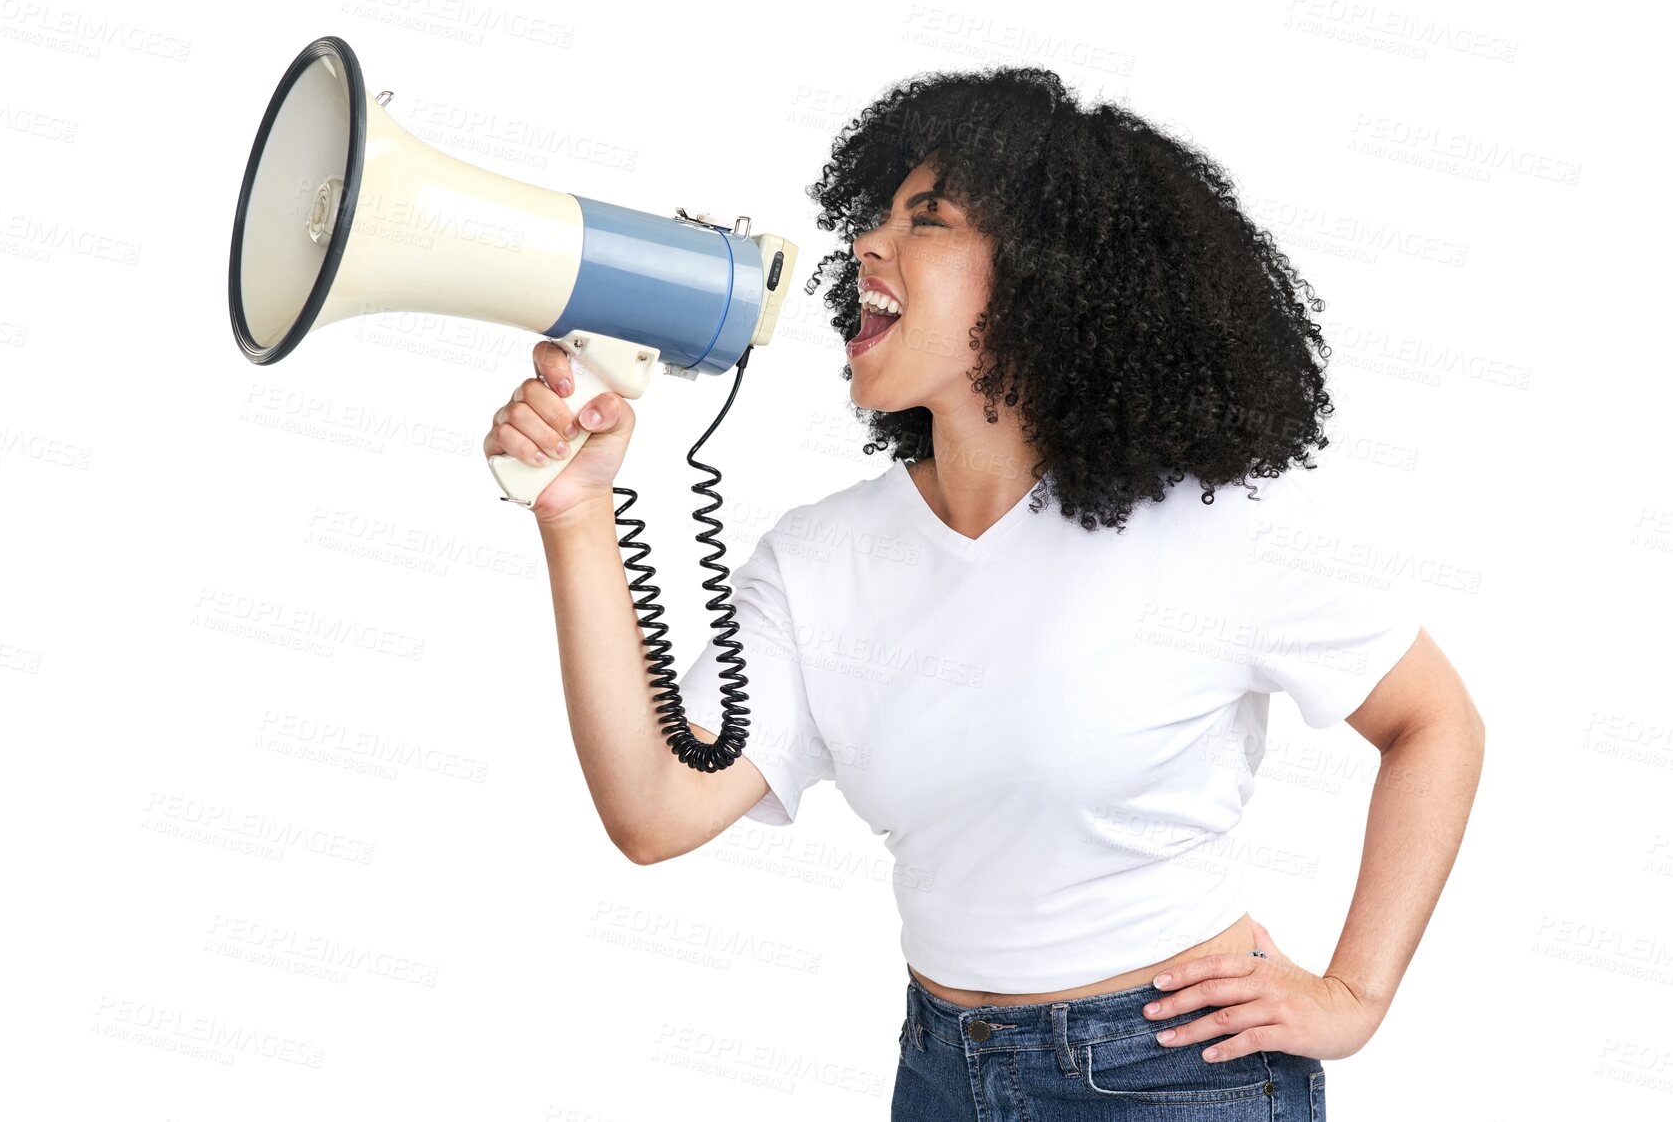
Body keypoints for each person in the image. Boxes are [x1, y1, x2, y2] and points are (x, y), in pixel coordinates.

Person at [484, 66, 1484, 1120]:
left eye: (928, 219)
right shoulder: (824, 558)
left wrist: (1356, 993)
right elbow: (655, 808)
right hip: (942, 1073)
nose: (869, 244)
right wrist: (578, 513)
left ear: (1047, 280)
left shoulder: (1214, 533)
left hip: (1175, 1076)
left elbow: (1435, 720)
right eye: (875, 217)